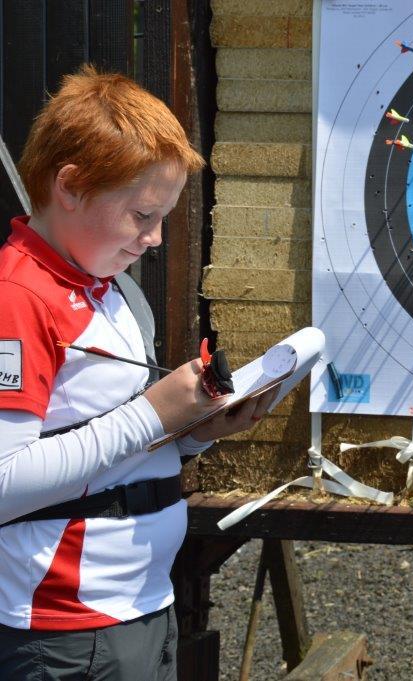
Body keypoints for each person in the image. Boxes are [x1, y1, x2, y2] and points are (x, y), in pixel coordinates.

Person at [0, 66, 275, 679]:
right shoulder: (19, 297)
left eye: (163, 216)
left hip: (140, 606)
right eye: (142, 214)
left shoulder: (110, 287)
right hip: (64, 630)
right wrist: (153, 414)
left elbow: (109, 443)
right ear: (70, 186)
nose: (154, 238)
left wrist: (194, 432)